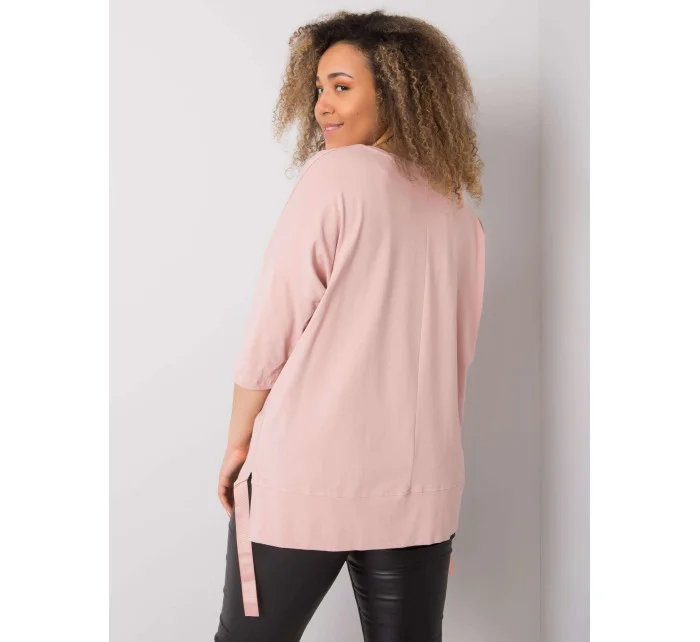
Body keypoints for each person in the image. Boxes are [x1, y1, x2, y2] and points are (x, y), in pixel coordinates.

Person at [214, 9, 486, 642]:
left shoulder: (335, 175)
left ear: (395, 92)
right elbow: (458, 352)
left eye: (341, 86)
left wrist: (238, 442)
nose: (321, 106)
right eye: (318, 88)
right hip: (420, 483)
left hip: (306, 474)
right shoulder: (455, 206)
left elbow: (274, 326)